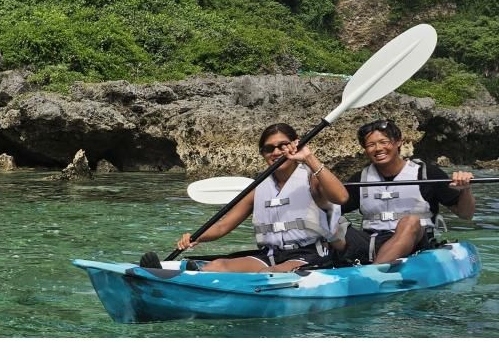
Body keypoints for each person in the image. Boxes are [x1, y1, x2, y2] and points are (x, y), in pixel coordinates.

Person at [141, 123, 350, 273]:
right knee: (216, 266)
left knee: (272, 274)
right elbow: (223, 226)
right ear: (262, 153)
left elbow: (341, 197)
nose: (276, 152)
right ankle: (169, 281)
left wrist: (309, 158)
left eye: (282, 146)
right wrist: (196, 237)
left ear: (294, 145)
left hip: (310, 255)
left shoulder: (310, 179)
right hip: (270, 254)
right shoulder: (258, 187)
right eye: (269, 148)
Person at [338, 119, 475, 265]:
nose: (378, 148)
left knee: (411, 221)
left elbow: (466, 214)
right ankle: (318, 262)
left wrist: (465, 189)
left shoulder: (427, 174)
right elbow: (331, 209)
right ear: (365, 149)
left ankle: (373, 272)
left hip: (416, 244)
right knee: (330, 221)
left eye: (384, 142)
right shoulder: (360, 179)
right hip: (371, 242)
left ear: (398, 142)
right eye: (371, 145)